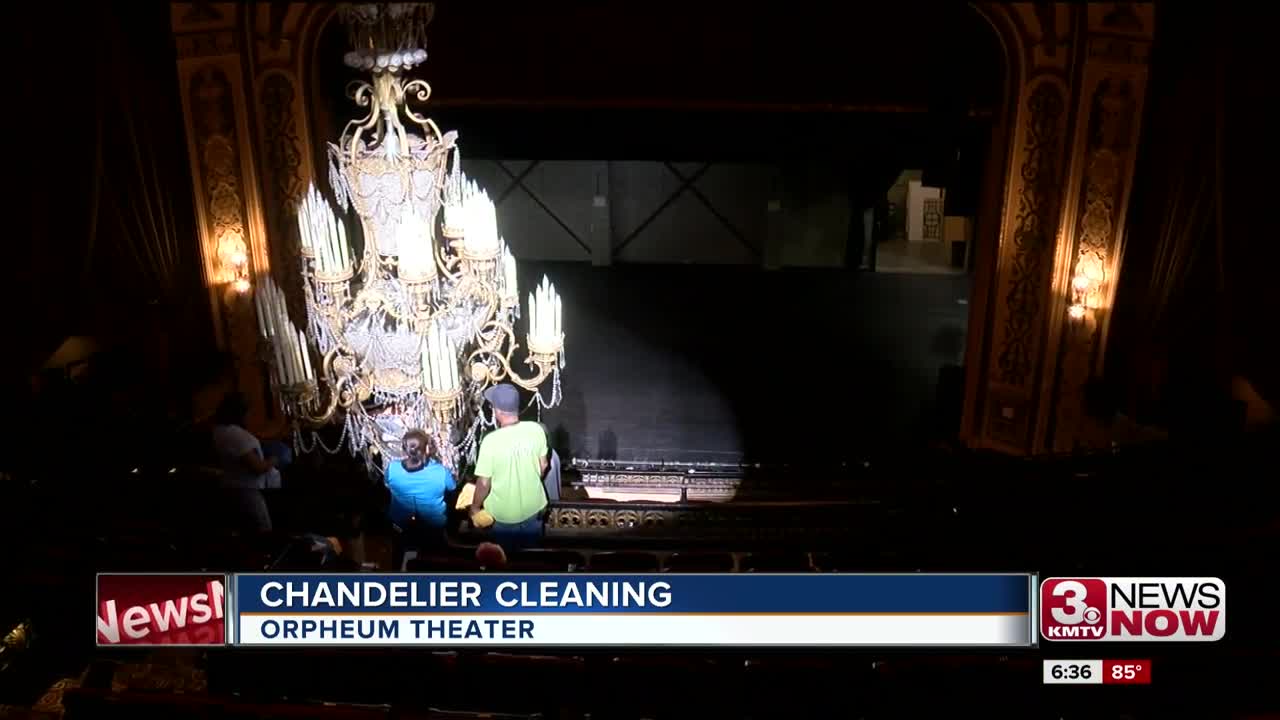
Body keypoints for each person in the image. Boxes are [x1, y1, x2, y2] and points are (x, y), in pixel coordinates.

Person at [470, 384, 548, 550]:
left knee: (505, 559)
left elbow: (484, 484)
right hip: (534, 508)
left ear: (497, 411)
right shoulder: (536, 430)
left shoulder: (490, 441)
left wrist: (475, 508)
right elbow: (543, 465)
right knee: (532, 559)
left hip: (503, 517)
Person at [210, 392, 286, 532]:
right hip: (246, 490)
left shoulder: (220, 430)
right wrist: (275, 459)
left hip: (234, 486)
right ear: (239, 412)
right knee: (262, 528)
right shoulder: (234, 434)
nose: (249, 414)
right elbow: (257, 467)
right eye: (248, 410)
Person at [385, 429, 456, 542]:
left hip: (400, 525)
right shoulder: (442, 472)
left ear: (405, 449)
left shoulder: (392, 468)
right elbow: (452, 488)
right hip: (434, 526)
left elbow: (388, 485)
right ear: (427, 448)